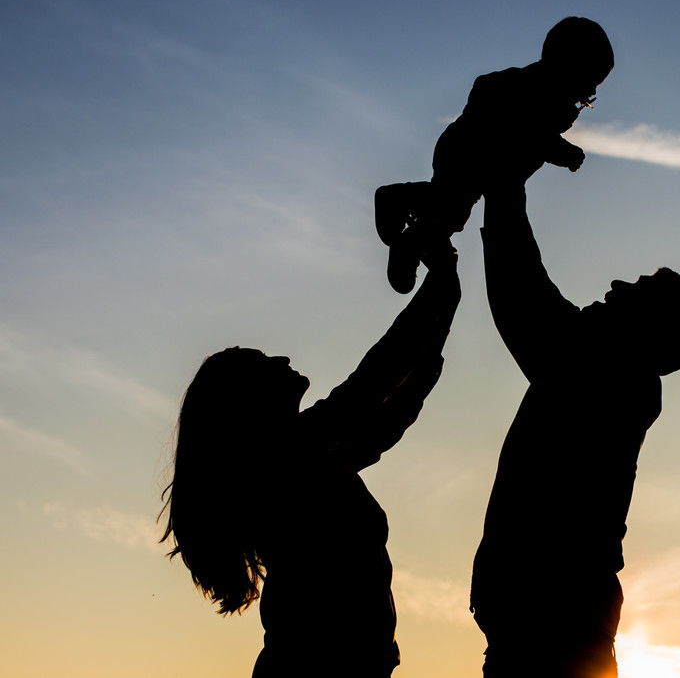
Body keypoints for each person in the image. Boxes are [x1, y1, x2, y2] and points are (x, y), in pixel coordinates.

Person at [159, 243, 460, 677]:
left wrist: (445, 294)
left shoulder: (311, 461)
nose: (282, 358)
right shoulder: (284, 458)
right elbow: (373, 383)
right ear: (244, 406)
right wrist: (441, 284)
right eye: (263, 363)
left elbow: (394, 405)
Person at [469, 185, 680, 677]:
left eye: (638, 291)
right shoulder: (614, 375)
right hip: (553, 628)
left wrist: (504, 185)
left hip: (550, 632)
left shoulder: (610, 374)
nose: (617, 285)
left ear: (650, 329)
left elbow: (526, 300)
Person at [375, 16, 614, 293]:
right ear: (565, 65)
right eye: (589, 80)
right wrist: (561, 150)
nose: (592, 91)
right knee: (451, 205)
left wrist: (556, 145)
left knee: (451, 211)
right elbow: (526, 127)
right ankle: (400, 207)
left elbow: (535, 133)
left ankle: (418, 241)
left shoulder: (548, 100)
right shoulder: (526, 88)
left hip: (478, 165)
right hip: (466, 154)